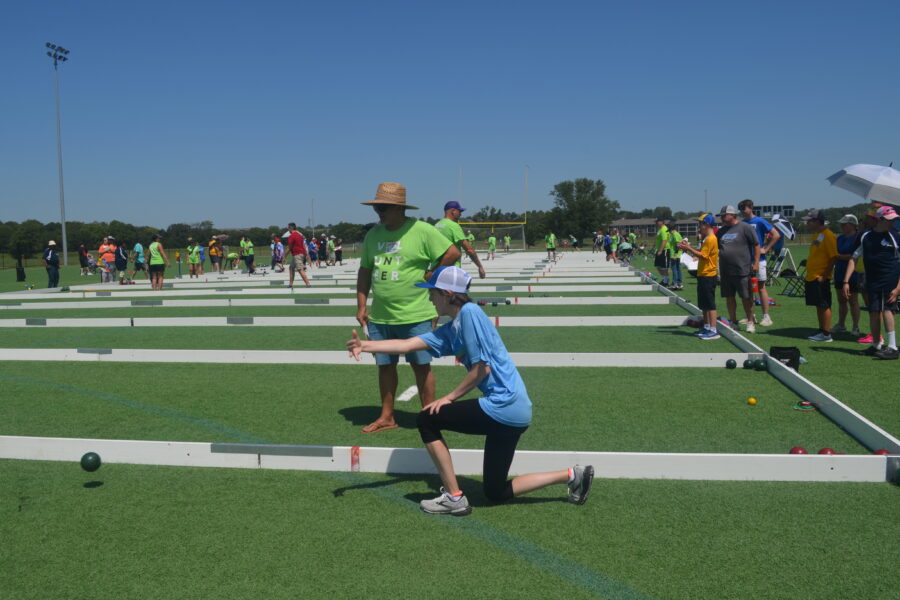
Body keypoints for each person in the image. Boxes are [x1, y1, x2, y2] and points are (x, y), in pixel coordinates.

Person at [347, 266, 594, 515]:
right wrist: (364, 345)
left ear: (445, 293)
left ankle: (454, 497)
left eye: (432, 292)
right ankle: (573, 475)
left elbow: (481, 370)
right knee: (495, 492)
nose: (429, 298)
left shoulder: (470, 313)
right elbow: (407, 345)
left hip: (503, 405)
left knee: (426, 419)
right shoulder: (451, 327)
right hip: (515, 413)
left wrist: (449, 398)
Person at [355, 181, 460, 434]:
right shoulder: (373, 235)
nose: (379, 212)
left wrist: (432, 272)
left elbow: (453, 252)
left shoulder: (422, 230)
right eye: (377, 207)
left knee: (421, 366)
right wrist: (361, 304)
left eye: (384, 207)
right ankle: (387, 416)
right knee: (385, 366)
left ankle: (428, 417)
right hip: (381, 315)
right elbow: (365, 270)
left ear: (400, 208)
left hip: (416, 312)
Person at [842, 206, 900, 359]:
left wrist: (898, 287)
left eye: (894, 219)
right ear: (879, 220)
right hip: (872, 280)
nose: (892, 222)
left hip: (890, 280)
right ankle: (876, 344)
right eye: (889, 219)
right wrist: (846, 281)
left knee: (887, 309)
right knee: (874, 311)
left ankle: (893, 347)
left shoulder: (896, 237)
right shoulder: (864, 236)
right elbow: (853, 258)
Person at [716, 205, 759, 332]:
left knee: (746, 297)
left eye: (725, 215)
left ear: (733, 215)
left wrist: (756, 262)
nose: (723, 218)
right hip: (726, 270)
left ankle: (750, 321)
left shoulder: (745, 227)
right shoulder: (721, 231)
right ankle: (733, 321)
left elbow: (756, 245)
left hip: (742, 269)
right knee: (729, 297)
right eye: (722, 216)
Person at [738, 199, 779, 326]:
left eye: (744, 208)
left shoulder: (760, 221)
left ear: (751, 208)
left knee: (761, 287)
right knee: (748, 289)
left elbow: (776, 235)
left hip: (759, 260)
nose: (742, 212)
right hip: (746, 260)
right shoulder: (742, 223)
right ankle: (751, 316)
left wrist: (766, 248)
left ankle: (766, 317)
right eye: (740, 209)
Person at [679, 214, 719, 339]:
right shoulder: (707, 238)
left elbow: (704, 255)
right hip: (703, 273)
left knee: (710, 304)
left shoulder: (711, 238)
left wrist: (688, 247)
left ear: (706, 224)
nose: (699, 226)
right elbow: (702, 255)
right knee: (704, 304)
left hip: (708, 274)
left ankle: (713, 329)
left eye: (700, 223)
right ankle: (706, 327)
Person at [802, 209, 839, 342]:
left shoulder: (828, 235)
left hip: (820, 276)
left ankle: (826, 333)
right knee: (819, 304)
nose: (807, 223)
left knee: (824, 304)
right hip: (812, 276)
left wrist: (824, 275)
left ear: (817, 221)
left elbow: (834, 257)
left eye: (809, 221)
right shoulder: (817, 235)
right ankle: (821, 329)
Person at [434, 201, 486, 278]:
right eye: (459, 211)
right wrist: (480, 266)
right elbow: (469, 250)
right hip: (451, 270)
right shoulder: (453, 226)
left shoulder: (437, 225)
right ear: (453, 211)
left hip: (436, 269)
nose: (461, 214)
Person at [833, 215, 861, 336]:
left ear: (852, 225)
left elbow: (854, 256)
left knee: (853, 300)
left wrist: (839, 256)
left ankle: (855, 327)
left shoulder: (858, 238)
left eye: (845, 224)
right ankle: (841, 324)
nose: (842, 226)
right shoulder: (840, 238)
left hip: (853, 274)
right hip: (839, 272)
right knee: (841, 300)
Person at [285, 223, 312, 288]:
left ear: (291, 228)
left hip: (297, 255)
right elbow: (303, 245)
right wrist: (306, 255)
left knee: (300, 269)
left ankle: (308, 284)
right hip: (299, 254)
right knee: (291, 268)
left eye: (288, 228)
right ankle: (290, 284)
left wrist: (284, 257)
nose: (288, 229)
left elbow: (289, 247)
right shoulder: (300, 235)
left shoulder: (291, 236)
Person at [667, 221, 684, 290]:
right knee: (677, 269)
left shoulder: (675, 234)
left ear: (671, 229)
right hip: (675, 255)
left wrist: (675, 255)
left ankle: (675, 283)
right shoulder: (674, 234)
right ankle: (679, 283)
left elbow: (678, 245)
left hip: (675, 255)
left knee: (674, 269)